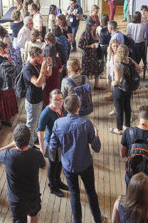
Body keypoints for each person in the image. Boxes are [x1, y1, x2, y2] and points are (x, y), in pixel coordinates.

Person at [50, 95, 103, 223]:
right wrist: (96, 134)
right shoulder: (86, 124)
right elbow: (96, 147)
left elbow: (53, 146)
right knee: (91, 192)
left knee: (74, 194)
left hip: (68, 165)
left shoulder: (58, 123)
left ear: (64, 107)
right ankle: (98, 220)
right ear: (78, 108)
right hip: (85, 164)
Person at [0, 124, 45, 223]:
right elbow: (43, 165)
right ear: (29, 139)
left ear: (15, 140)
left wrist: (11, 145)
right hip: (33, 196)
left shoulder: (8, 156)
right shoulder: (36, 155)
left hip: (16, 199)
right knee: (33, 216)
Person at [120, 105, 148, 192]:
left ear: (138, 117)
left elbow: (122, 154)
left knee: (130, 198)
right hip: (147, 178)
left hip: (131, 175)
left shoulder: (128, 132)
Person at [37, 89, 69, 197]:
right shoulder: (46, 112)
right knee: (53, 165)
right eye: (55, 100)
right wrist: (42, 147)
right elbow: (40, 131)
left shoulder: (62, 108)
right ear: (50, 99)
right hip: (52, 143)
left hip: (62, 141)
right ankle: (53, 187)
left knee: (60, 162)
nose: (58, 102)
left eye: (60, 99)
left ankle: (58, 181)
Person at [23, 46, 52, 145]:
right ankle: (29, 145)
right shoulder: (27, 69)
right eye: (39, 57)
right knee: (31, 124)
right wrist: (43, 69)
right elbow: (38, 83)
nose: (41, 58)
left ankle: (34, 138)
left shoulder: (37, 64)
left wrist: (50, 64)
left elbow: (48, 74)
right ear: (33, 56)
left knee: (36, 121)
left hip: (39, 97)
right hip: (32, 100)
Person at [110, 45, 142, 135]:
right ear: (127, 52)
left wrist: (112, 83)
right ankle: (127, 126)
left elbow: (117, 80)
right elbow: (140, 69)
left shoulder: (117, 64)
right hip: (129, 88)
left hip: (119, 90)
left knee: (119, 109)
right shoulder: (130, 60)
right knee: (127, 107)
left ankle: (118, 129)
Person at [78, 19, 102, 90]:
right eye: (93, 26)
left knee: (97, 70)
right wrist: (90, 46)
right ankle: (86, 87)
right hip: (87, 55)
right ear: (90, 26)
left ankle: (96, 85)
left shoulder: (95, 32)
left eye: (95, 25)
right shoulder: (84, 33)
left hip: (94, 54)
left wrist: (98, 39)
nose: (95, 27)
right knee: (86, 71)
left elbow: (98, 41)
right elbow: (80, 45)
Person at [42, 33, 63, 106]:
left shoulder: (43, 60)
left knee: (47, 95)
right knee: (55, 94)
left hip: (46, 81)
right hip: (55, 80)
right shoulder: (57, 59)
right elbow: (60, 70)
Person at [106, 39, 120, 105]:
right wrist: (107, 77)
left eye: (117, 46)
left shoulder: (121, 55)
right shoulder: (109, 55)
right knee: (113, 90)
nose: (115, 48)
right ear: (111, 47)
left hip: (118, 77)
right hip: (112, 75)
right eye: (114, 46)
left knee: (118, 92)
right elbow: (108, 67)